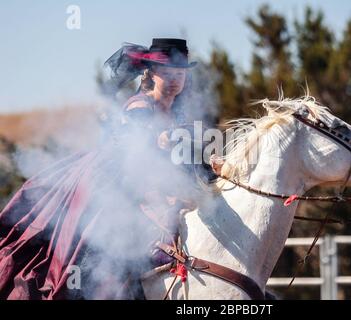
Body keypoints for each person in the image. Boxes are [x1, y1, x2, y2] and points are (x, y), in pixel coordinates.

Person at [0, 38, 212, 300]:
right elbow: (142, 145)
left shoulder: (179, 111)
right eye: (167, 73)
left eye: (179, 74)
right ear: (151, 73)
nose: (174, 80)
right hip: (115, 182)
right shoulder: (140, 105)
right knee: (103, 248)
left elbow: (181, 155)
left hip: (148, 181)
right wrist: (165, 141)